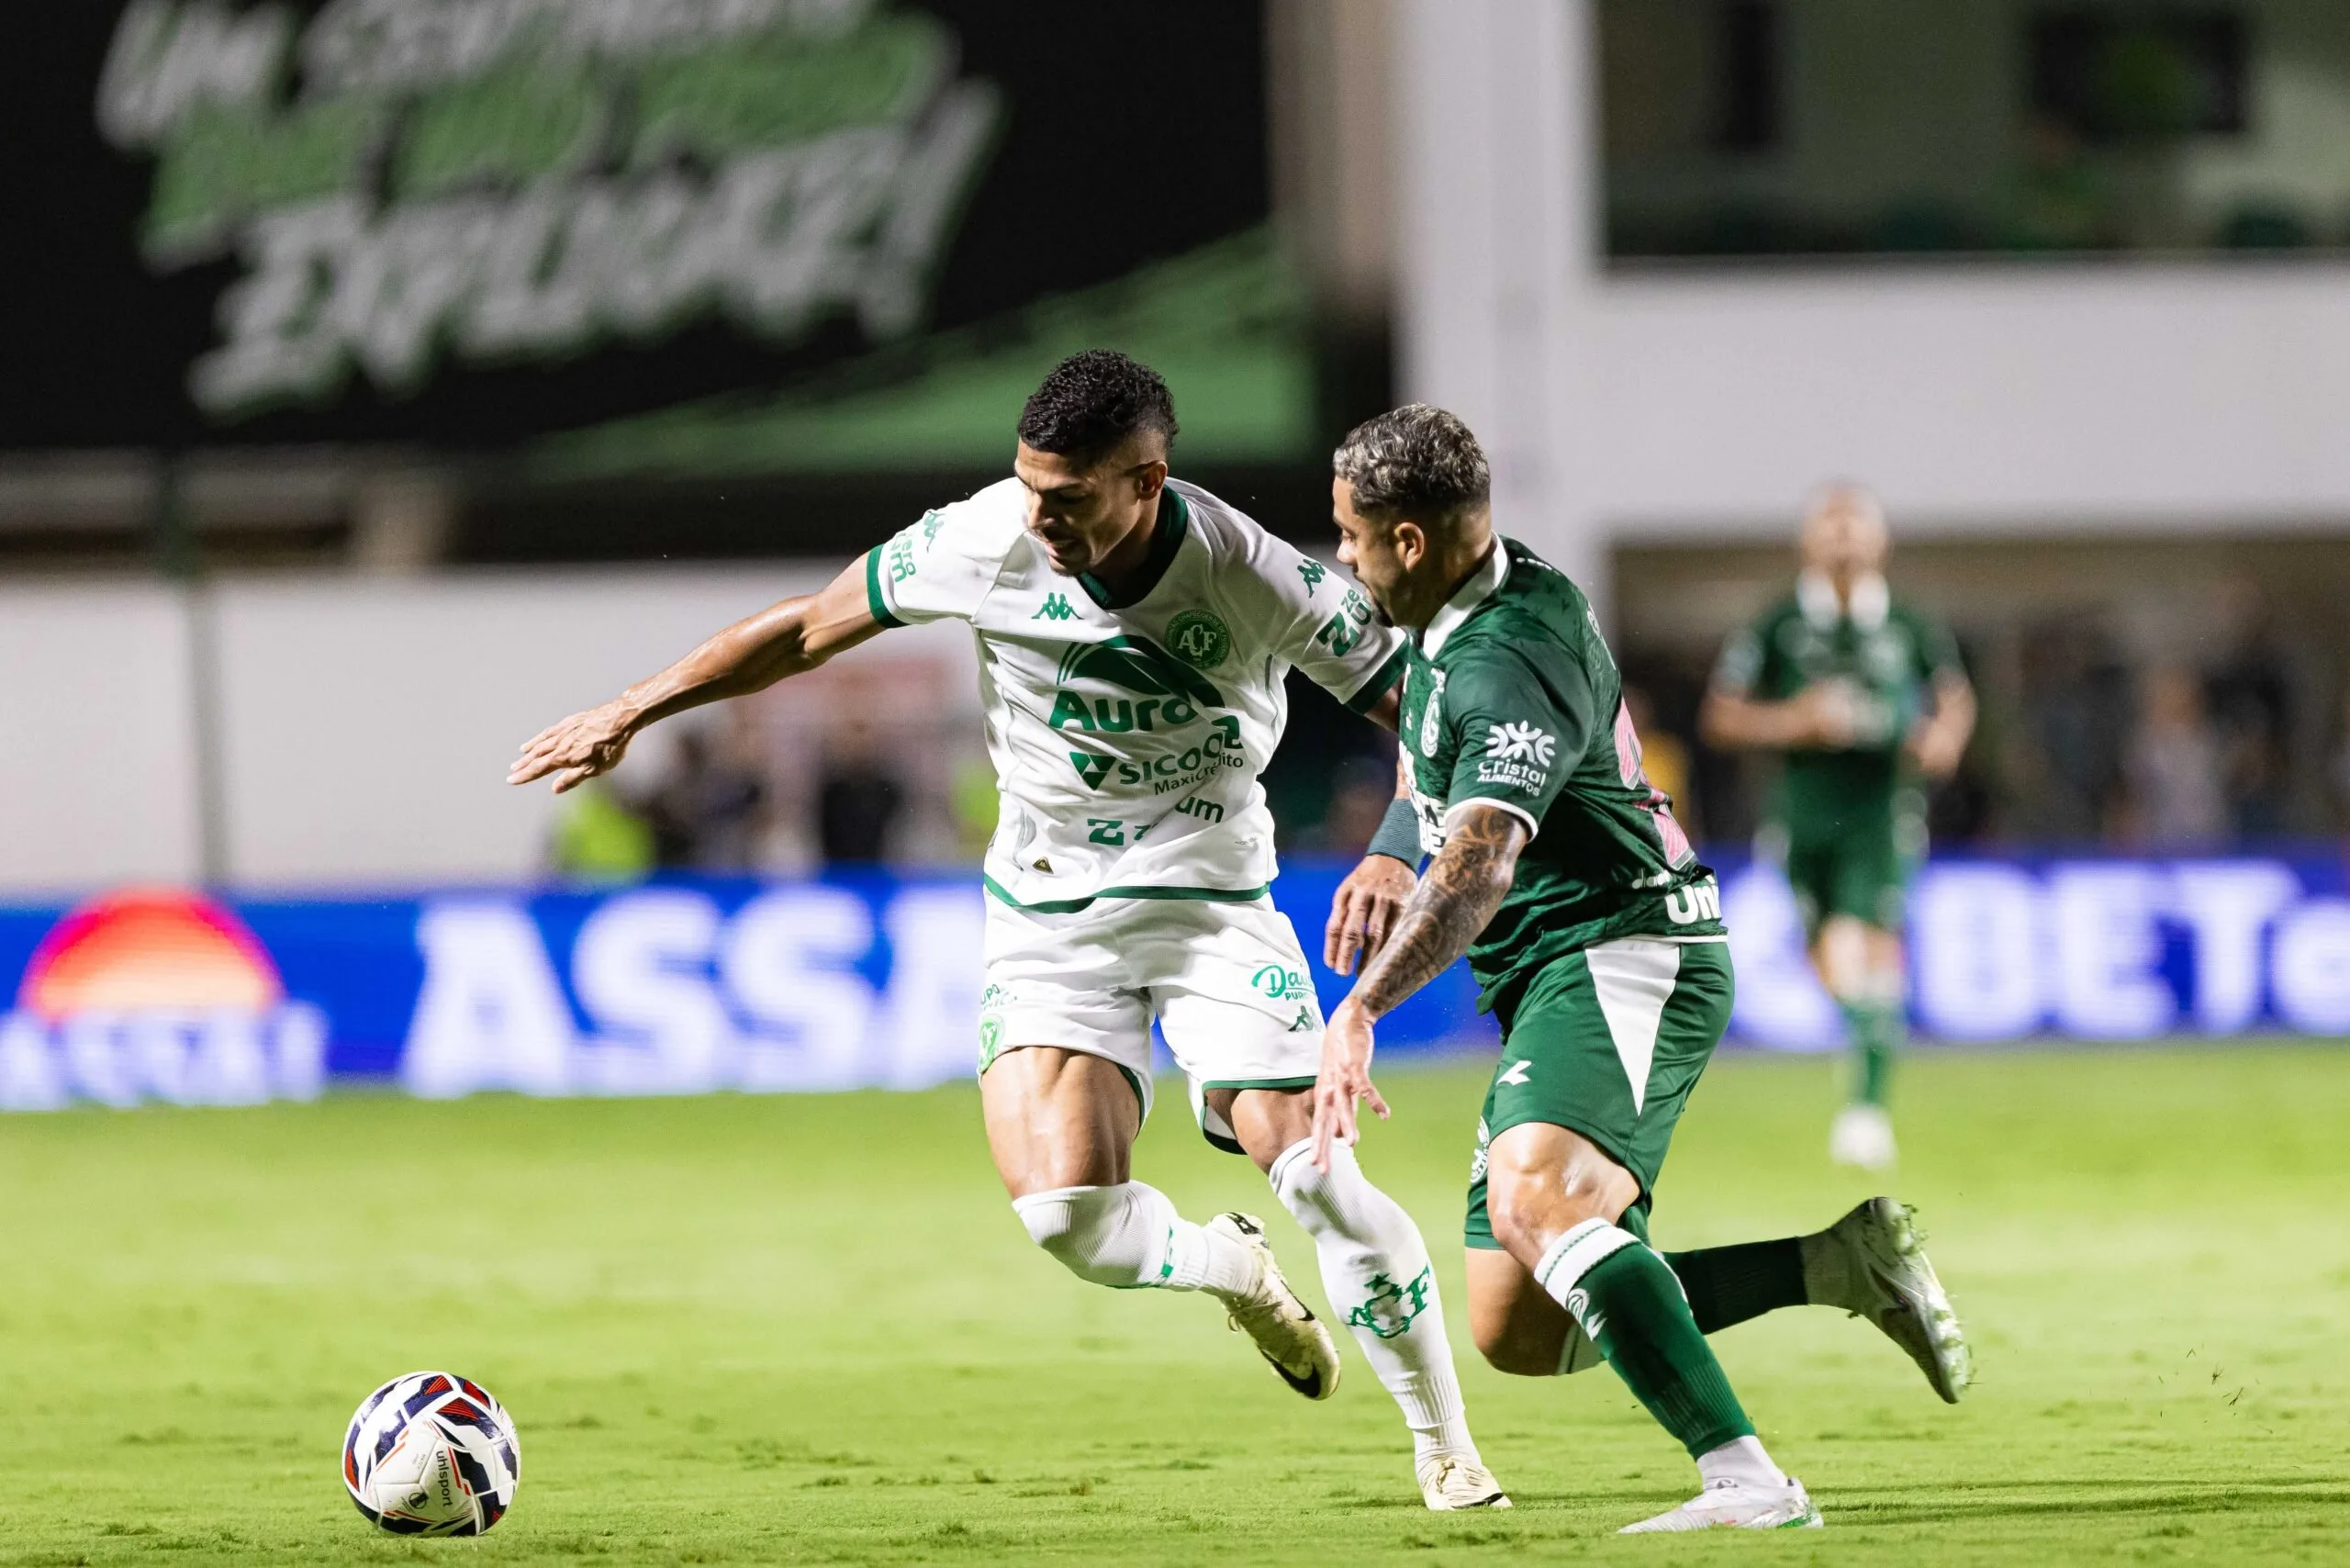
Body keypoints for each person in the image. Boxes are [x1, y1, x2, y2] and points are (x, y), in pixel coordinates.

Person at [509, 352, 1506, 1510]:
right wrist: (631, 708)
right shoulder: (981, 536)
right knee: (1065, 1218)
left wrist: (1394, 840)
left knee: (1320, 1174)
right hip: (1046, 915)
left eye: (1068, 497)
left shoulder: (1246, 569)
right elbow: (804, 630)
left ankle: (1446, 1447)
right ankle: (1229, 1266)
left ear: (1147, 479)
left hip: (1209, 903)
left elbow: (1426, 704)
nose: (1040, 517)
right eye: (1029, 486)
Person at [1308, 408, 1969, 1534]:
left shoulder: (1506, 651)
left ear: (1410, 541)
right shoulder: (1459, 611)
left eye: (1351, 538)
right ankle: (1838, 1264)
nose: (1341, 560)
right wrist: (1385, 846)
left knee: (1537, 1199)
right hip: (1559, 960)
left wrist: (1362, 1008)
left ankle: (1747, 1482)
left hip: (1621, 944)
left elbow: (1480, 859)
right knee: (1520, 1327)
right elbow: (1441, 786)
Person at [1697, 485, 1975, 1170]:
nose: (1845, 537)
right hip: (1801, 814)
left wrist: (1942, 740)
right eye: (1833, 525)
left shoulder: (1908, 622)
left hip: (1881, 813)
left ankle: (1866, 1111)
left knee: (1865, 944)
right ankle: (1869, 1038)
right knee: (1829, 956)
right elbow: (1722, 715)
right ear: (1809, 541)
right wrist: (1796, 721)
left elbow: (1954, 699)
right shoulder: (1779, 622)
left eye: (1857, 525)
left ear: (1880, 542)